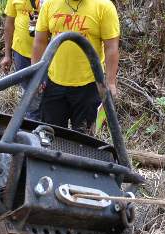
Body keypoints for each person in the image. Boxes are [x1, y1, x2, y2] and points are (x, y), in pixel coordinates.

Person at [30, 0, 120, 134]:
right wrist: (36, 76)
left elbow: (111, 48)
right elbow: (40, 42)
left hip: (89, 85)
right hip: (54, 83)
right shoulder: (50, 4)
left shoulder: (104, 6)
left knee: (85, 137)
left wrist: (110, 82)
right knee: (50, 134)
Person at [0, 0, 45, 119]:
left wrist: (43, 25)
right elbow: (9, 25)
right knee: (29, 93)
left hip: (47, 56)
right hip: (21, 53)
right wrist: (7, 55)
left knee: (46, 94)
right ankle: (31, 124)